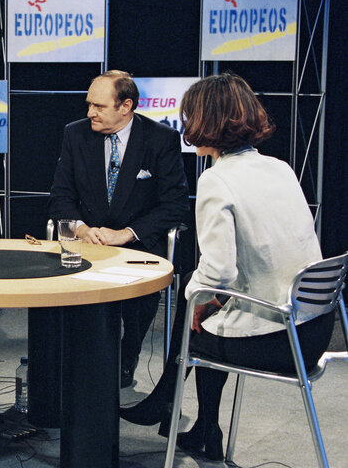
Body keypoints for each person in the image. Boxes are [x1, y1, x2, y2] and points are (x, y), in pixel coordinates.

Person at [119, 72, 334, 461]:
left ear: (205, 121)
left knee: (196, 317)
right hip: (315, 327)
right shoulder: (280, 168)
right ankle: (202, 426)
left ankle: (176, 408)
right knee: (204, 305)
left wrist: (199, 300)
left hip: (278, 338)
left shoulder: (219, 180)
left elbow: (218, 274)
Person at [49, 70, 189, 387]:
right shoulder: (76, 134)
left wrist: (125, 234)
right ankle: (78, 362)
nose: (90, 113)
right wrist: (82, 229)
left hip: (138, 243)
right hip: (88, 242)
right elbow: (60, 196)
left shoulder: (160, 139)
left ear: (125, 106)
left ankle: (125, 359)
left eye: (98, 106)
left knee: (139, 301)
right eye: (89, 105)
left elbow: (176, 204)